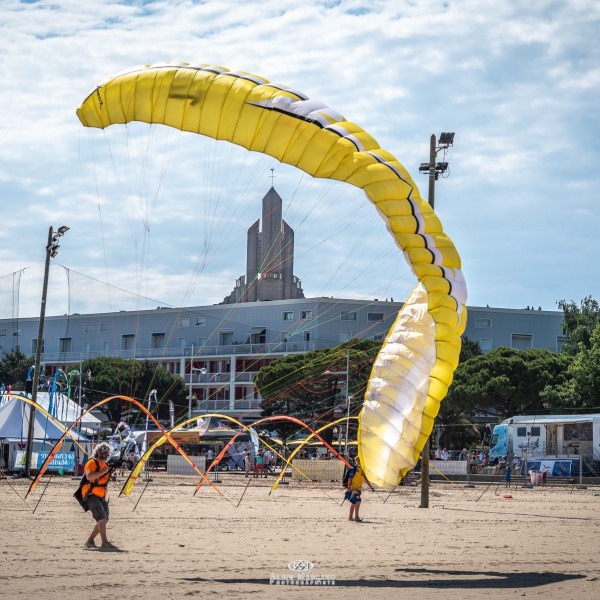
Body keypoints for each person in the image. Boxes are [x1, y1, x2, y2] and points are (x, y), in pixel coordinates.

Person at [83, 442, 118, 550]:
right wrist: (103, 472)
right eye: (103, 450)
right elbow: (89, 476)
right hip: (91, 494)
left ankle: (89, 541)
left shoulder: (105, 465)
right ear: (98, 452)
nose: (105, 453)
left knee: (105, 519)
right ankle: (105, 543)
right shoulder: (92, 462)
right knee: (101, 518)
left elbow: (105, 477)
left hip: (102, 495)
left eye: (107, 451)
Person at [346, 457, 365, 523]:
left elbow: (364, 478)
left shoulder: (361, 469)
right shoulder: (352, 469)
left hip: (358, 488)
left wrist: (371, 487)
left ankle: (350, 517)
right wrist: (348, 487)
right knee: (358, 501)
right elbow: (349, 478)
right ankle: (356, 517)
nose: (359, 462)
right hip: (354, 488)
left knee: (354, 502)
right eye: (358, 461)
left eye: (360, 461)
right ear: (355, 461)